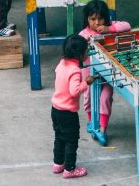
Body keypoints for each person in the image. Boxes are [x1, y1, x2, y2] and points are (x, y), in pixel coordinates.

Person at [79, 0, 130, 146]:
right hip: (89, 72)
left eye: (100, 18)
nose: (96, 22)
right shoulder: (83, 34)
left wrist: (110, 29)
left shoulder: (109, 26)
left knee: (105, 98)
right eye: (92, 19)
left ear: (106, 18)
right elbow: (76, 51)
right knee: (88, 97)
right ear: (87, 19)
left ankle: (102, 129)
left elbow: (127, 25)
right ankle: (91, 121)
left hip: (108, 72)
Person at [51, 35, 95, 179]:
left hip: (56, 109)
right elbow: (74, 90)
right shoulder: (75, 71)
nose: (88, 53)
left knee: (59, 137)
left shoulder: (62, 63)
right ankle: (69, 169)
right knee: (71, 140)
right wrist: (86, 82)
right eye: (87, 51)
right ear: (80, 54)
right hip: (68, 113)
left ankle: (58, 163)